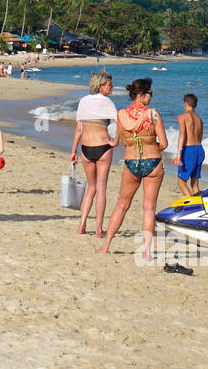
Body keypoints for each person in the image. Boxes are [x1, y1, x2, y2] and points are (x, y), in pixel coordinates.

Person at [98, 78, 168, 262]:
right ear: (142, 94)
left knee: (122, 204)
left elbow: (117, 142)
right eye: (150, 93)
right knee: (149, 208)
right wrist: (152, 149)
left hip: (130, 163)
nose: (152, 97)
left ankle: (105, 246)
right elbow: (165, 143)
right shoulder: (153, 114)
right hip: (152, 162)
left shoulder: (121, 115)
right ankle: (146, 253)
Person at [71, 71, 117, 238]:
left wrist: (73, 151)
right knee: (101, 188)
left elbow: (78, 129)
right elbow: (121, 123)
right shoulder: (107, 102)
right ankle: (98, 229)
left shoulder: (83, 101)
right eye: (110, 85)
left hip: (86, 148)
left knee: (91, 188)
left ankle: (82, 225)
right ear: (101, 86)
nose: (112, 87)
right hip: (103, 147)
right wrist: (115, 140)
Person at [173, 92, 205, 197]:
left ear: (185, 103)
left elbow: (182, 135)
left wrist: (178, 154)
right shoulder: (199, 119)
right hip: (199, 149)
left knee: (181, 182)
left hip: (189, 150)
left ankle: (191, 205)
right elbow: (200, 137)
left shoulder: (182, 117)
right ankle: (198, 206)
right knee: (194, 183)